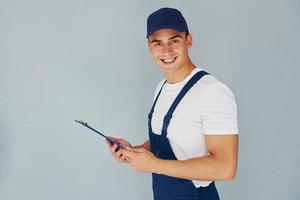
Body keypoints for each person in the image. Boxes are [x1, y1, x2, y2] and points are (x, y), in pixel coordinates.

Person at [107, 7, 239, 200]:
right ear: (149, 46)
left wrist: (153, 165)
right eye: (157, 43)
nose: (166, 50)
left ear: (189, 40)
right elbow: (172, 140)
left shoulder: (212, 92)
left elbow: (226, 168)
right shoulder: (162, 87)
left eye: (174, 41)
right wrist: (135, 152)